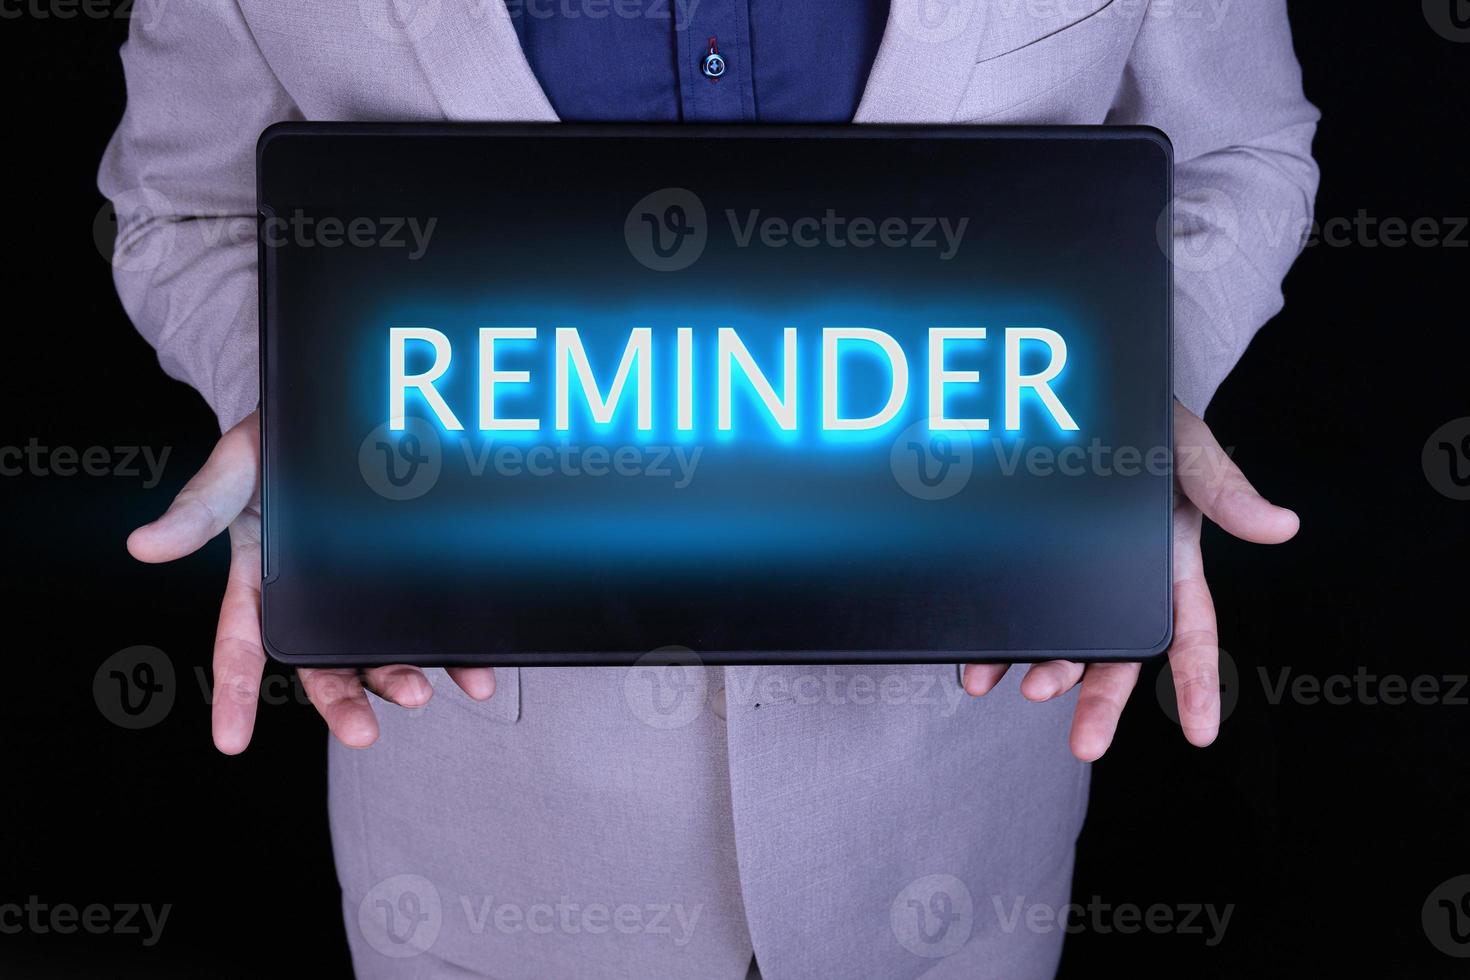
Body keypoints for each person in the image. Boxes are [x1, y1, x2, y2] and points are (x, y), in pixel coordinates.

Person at [99, 1, 1317, 977]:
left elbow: (1239, 152)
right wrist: (316, 403)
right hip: (495, 846)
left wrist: (1111, 402)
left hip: (948, 831)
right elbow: (185, 209)